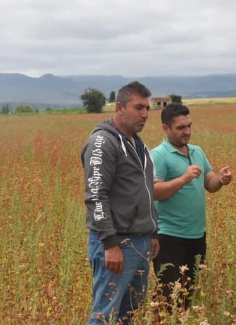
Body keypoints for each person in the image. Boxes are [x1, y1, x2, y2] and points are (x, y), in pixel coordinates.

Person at [81, 81, 160, 325]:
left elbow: (145, 191)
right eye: (138, 108)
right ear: (119, 107)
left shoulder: (137, 144)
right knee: (104, 315)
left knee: (130, 314)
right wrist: (110, 244)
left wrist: (153, 231)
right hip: (117, 244)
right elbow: (96, 195)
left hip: (140, 241)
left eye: (147, 108)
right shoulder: (103, 143)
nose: (145, 114)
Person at [151, 103, 232, 308]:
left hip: (196, 235)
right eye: (180, 128)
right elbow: (154, 191)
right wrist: (183, 179)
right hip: (169, 237)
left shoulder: (197, 151)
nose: (186, 131)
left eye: (189, 126)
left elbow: (209, 183)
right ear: (165, 128)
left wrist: (221, 179)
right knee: (169, 299)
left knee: (188, 296)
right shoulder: (158, 155)